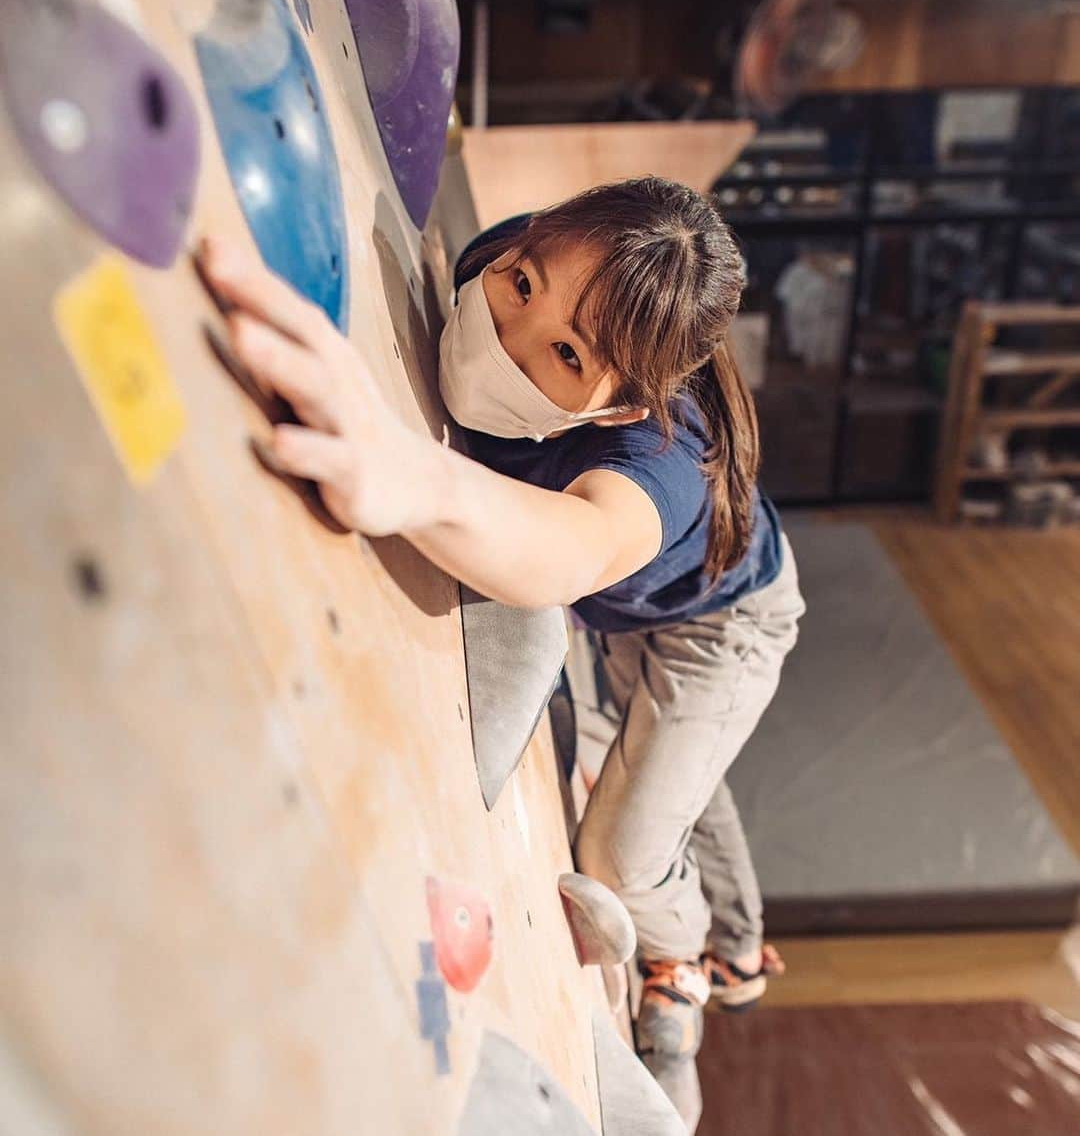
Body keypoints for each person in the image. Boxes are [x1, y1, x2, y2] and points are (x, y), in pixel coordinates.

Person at [198, 176, 806, 1122]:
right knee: (675, 766)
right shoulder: (527, 249)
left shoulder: (659, 466)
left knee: (618, 851)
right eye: (523, 288)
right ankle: (737, 940)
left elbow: (566, 553)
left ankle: (685, 960)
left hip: (720, 626)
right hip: (634, 613)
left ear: (619, 410)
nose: (516, 334)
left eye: (566, 354)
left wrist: (415, 479)